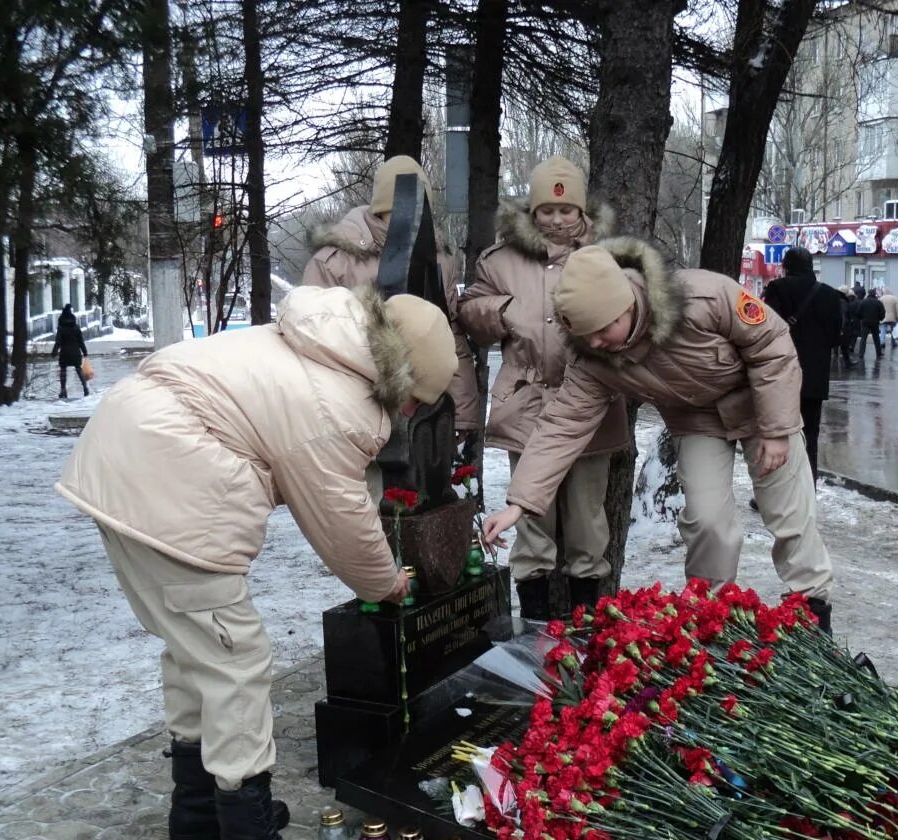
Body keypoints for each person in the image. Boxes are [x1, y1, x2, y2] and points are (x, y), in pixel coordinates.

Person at [55, 285, 457, 840]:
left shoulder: (318, 343)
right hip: (168, 481)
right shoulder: (339, 401)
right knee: (234, 659)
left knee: (195, 649)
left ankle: (198, 811)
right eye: (415, 400)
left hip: (127, 460)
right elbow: (343, 524)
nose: (407, 412)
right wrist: (387, 583)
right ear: (403, 375)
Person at [481, 240, 835, 631]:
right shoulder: (593, 357)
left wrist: (777, 429)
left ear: (625, 304)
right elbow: (561, 426)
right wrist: (520, 503)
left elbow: (771, 344)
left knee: (790, 512)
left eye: (603, 328)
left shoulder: (701, 296)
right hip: (697, 419)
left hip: (761, 405)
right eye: (587, 335)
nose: (597, 342)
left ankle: (813, 611)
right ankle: (710, 619)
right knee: (707, 521)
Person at [458, 157, 628, 619]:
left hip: (590, 405)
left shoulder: (606, 255)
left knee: (587, 521)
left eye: (566, 210)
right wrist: (502, 310)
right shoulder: (501, 259)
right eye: (546, 211)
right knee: (532, 519)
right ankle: (536, 630)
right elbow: (470, 311)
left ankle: (586, 626)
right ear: (532, 212)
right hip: (527, 400)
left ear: (582, 212)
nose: (557, 219)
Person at [302, 154, 481, 439]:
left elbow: (448, 336)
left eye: (417, 211)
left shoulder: (439, 260)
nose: (407, 219)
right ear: (378, 210)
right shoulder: (336, 262)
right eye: (395, 211)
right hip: (356, 407)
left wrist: (461, 413)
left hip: (422, 409)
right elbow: (313, 340)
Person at [760, 246, 843, 484]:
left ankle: (777, 494)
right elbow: (836, 337)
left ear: (786, 267)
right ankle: (808, 490)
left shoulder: (778, 289)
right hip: (815, 378)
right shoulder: (830, 294)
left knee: (778, 434)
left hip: (781, 374)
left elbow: (766, 330)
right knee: (810, 436)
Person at [51, 304, 88, 399]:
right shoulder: (76, 327)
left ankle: (63, 390)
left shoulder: (61, 328)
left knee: (63, 370)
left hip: (65, 353)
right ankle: (85, 387)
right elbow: (81, 341)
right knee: (78, 369)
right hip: (76, 352)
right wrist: (85, 352)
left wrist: (54, 352)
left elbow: (58, 342)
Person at [857, 288, 885, 359]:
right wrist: (880, 319)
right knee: (876, 338)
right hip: (875, 322)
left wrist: (861, 318)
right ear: (874, 294)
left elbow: (858, 312)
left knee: (863, 338)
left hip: (865, 322)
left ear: (868, 294)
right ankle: (879, 353)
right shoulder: (878, 302)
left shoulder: (863, 302)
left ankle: (861, 354)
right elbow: (882, 313)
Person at [879, 286, 898, 351]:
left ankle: (882, 342)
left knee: (883, 330)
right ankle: (893, 342)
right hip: (892, 318)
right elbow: (897, 309)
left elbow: (879, 308)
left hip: (883, 317)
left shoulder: (881, 299)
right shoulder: (894, 298)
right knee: (893, 331)